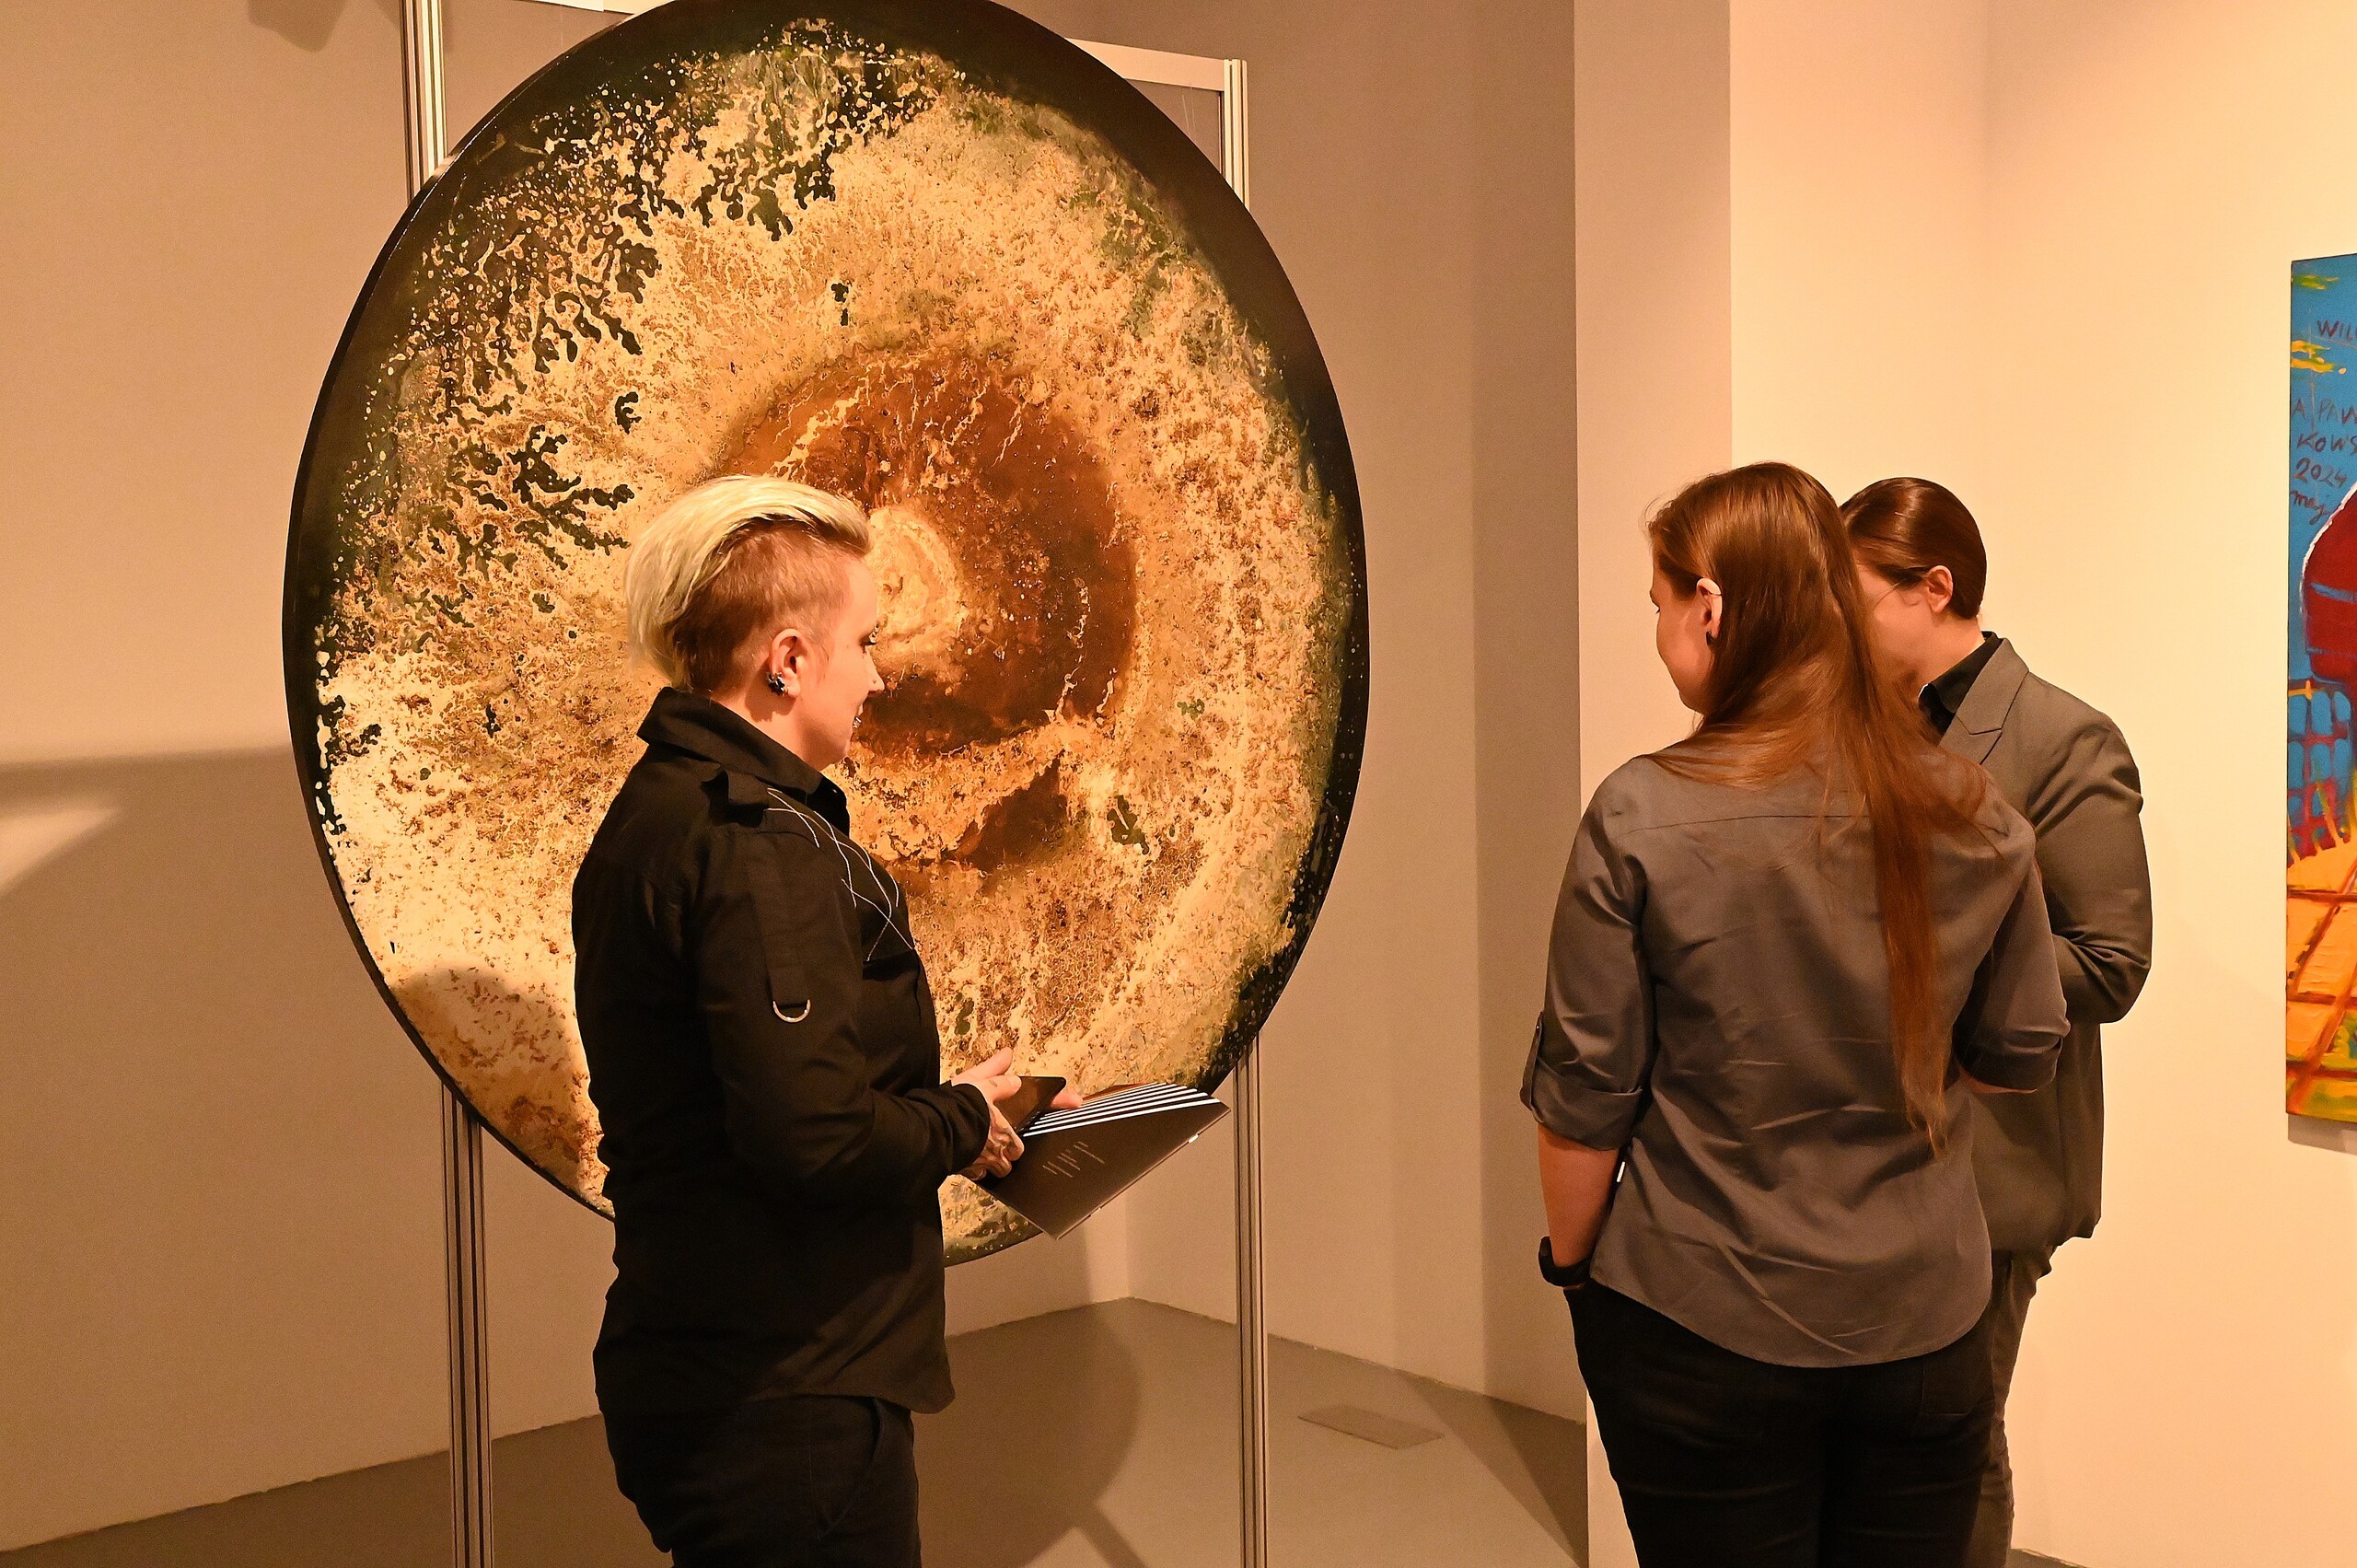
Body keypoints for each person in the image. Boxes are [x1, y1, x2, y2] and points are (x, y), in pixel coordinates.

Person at [1526, 462, 2069, 1567]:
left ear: (1710, 607)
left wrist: (1574, 1274)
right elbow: (2015, 1054)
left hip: (1700, 1319)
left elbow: (1584, 1100)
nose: (1659, 631)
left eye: (1658, 603)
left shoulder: (1639, 813)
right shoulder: (1973, 807)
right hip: (1923, 1324)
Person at [573, 475, 1071, 1567]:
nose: (879, 674)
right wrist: (957, 1120)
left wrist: (960, 1104)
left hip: (709, 1366)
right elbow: (816, 1134)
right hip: (785, 1399)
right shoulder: (760, 848)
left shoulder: (659, 808)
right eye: (866, 642)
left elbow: (767, 1084)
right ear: (787, 660)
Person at [1844, 476, 2153, 1568]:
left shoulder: (2065, 738)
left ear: (1935, 587)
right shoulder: (1857, 729)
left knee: (1956, 1447)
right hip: (1868, 1157)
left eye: (1854, 602)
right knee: (1880, 1448)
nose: (1837, 630)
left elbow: (2109, 962)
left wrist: (1915, 963)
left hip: (1993, 1162)